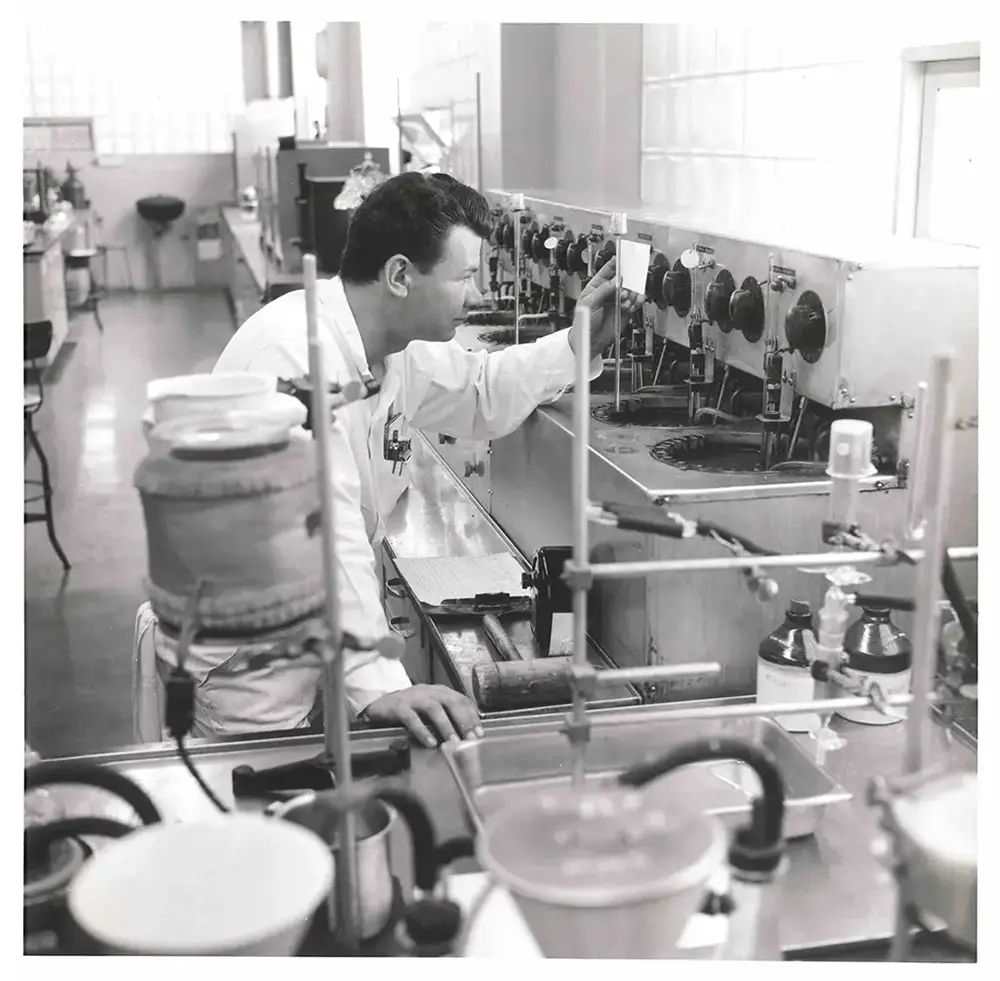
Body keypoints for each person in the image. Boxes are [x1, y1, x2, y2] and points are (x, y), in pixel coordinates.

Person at [211, 172, 643, 747]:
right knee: (262, 812)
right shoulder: (294, 357)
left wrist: (578, 342)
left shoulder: (386, 347)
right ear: (399, 275)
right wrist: (381, 684)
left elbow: (482, 390)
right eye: (464, 276)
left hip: (317, 643)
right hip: (255, 673)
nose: (480, 296)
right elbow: (324, 537)